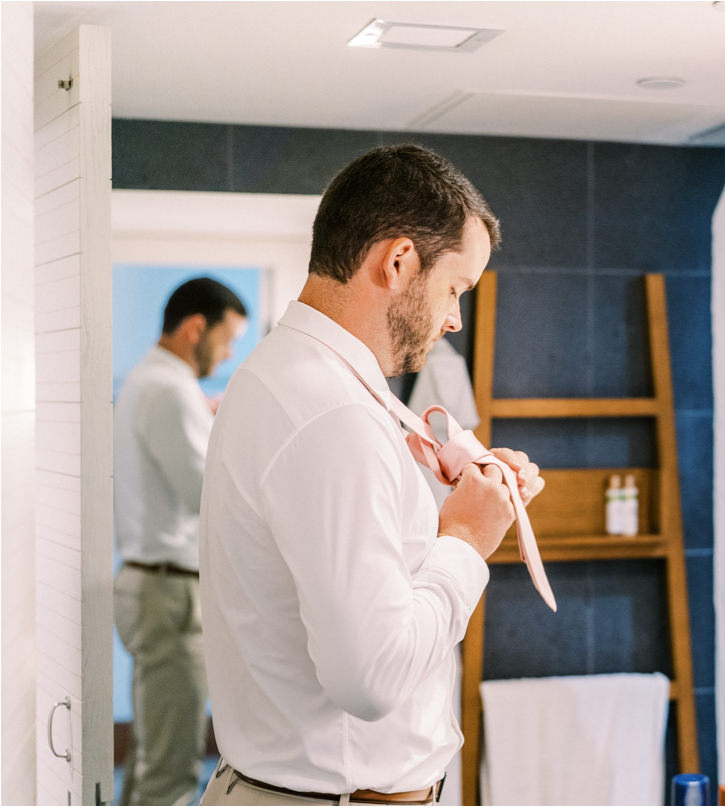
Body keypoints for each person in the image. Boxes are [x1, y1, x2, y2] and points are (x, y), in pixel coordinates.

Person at [198, 143, 544, 806]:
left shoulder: (291, 376)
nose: (453, 319)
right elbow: (371, 678)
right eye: (454, 289)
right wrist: (467, 538)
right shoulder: (333, 415)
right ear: (397, 260)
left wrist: (446, 493)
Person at [113, 277, 248, 806]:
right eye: (228, 338)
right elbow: (206, 494)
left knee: (153, 758)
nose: (230, 351)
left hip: (154, 586)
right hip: (169, 595)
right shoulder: (169, 389)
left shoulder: (152, 382)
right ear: (196, 328)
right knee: (171, 773)